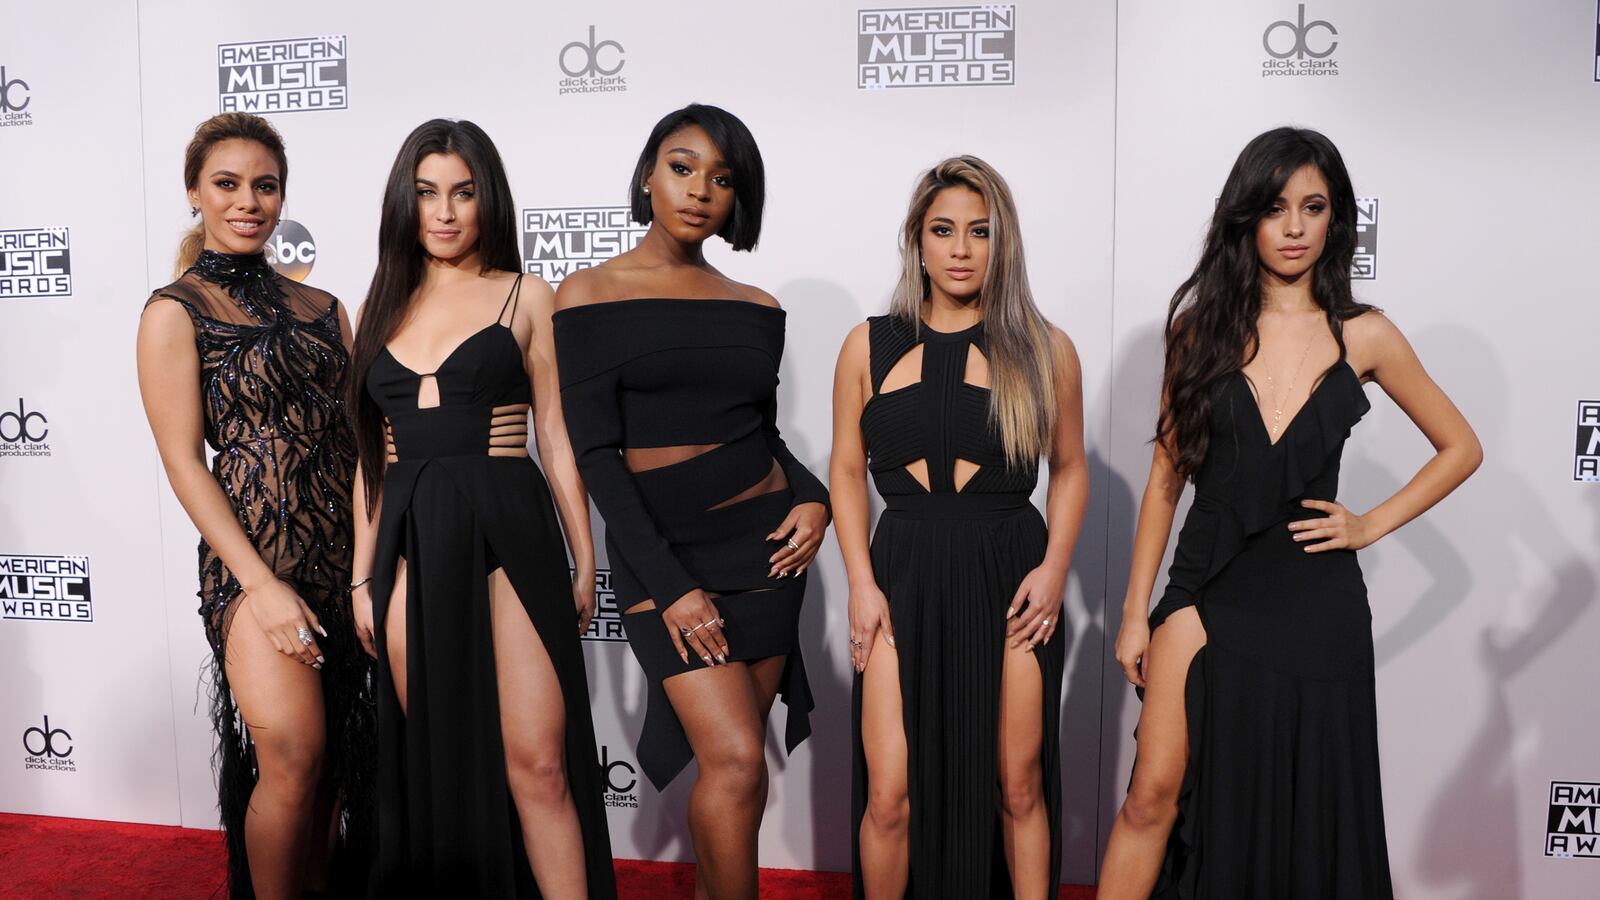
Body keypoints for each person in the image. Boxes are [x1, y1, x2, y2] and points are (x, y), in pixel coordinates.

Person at [1098, 127, 1483, 899]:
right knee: (1150, 798)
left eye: (1314, 207)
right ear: (1247, 217)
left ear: (1336, 219)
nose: (1295, 227)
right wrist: (1137, 612)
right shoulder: (1199, 329)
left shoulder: (1365, 335)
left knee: (1305, 819)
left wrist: (1368, 524)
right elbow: (1167, 477)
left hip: (1315, 600)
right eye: (1276, 208)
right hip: (1208, 584)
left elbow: (1461, 447)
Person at [553, 103, 830, 900]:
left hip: (768, 553)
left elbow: (762, 435)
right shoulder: (586, 294)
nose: (699, 189)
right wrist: (670, 586)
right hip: (663, 559)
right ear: (648, 175)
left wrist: (815, 498)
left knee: (736, 773)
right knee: (737, 759)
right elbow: (596, 457)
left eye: (722, 177)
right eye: (682, 167)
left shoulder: (757, 307)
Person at [347, 119, 615, 898]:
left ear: (487, 198)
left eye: (462, 193)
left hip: (509, 532)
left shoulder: (527, 295)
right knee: (436, 763)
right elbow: (372, 460)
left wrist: (585, 555)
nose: (444, 211)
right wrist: (362, 579)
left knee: (538, 763)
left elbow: (555, 438)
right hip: (408, 544)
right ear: (404, 202)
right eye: (427, 193)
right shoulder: (380, 306)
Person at [830, 156, 1089, 899]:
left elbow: (1070, 468)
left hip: (1009, 574)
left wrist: (1054, 570)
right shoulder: (868, 345)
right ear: (917, 241)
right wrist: (860, 583)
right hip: (901, 572)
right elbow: (845, 470)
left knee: (1017, 784)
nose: (961, 249)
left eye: (980, 231)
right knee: (889, 794)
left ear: (1003, 242)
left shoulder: (1043, 348)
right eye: (943, 230)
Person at [136, 112, 373, 900]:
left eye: (264, 186)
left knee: (336, 762)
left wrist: (369, 570)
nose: (248, 201)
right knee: (294, 756)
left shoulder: (327, 308)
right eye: (227, 184)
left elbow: (361, 446)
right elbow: (184, 462)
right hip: (255, 565)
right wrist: (261, 586)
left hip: (345, 562)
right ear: (194, 193)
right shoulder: (173, 312)